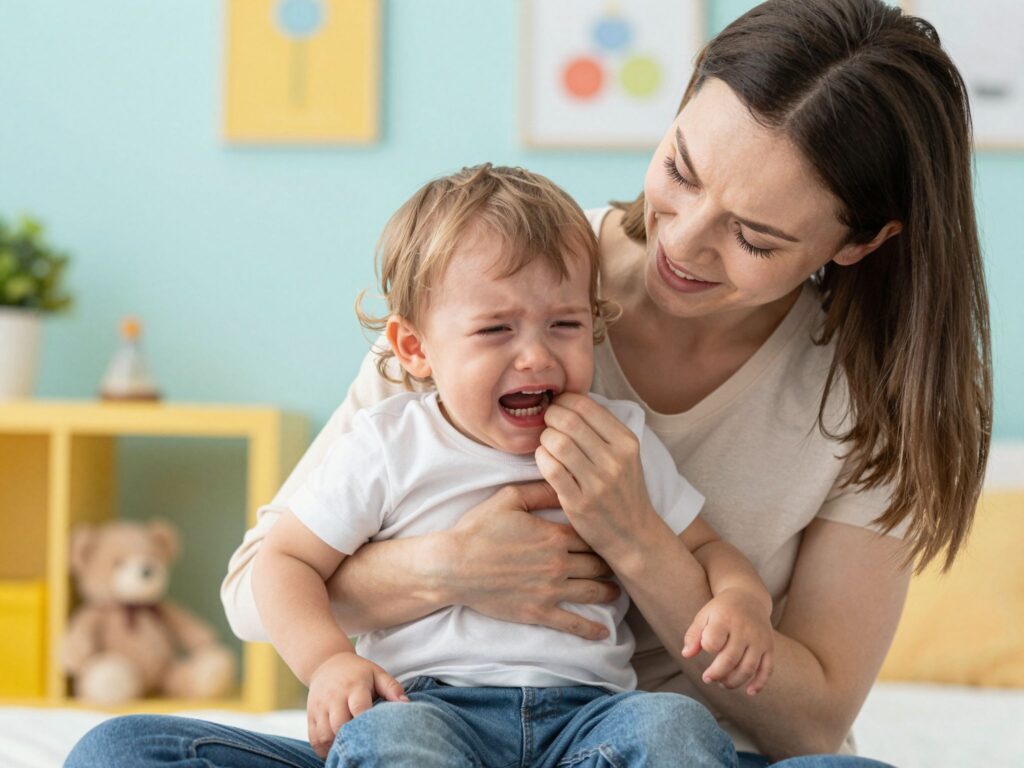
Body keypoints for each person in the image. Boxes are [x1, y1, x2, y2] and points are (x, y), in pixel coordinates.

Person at [66, 0, 991, 766]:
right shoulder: (498, 275)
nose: (680, 239)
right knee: (119, 753)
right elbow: (253, 589)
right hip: (426, 726)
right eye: (679, 168)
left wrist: (641, 546)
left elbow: (811, 725)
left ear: (860, 243)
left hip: (647, 740)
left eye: (753, 238)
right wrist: (445, 570)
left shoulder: (871, 401)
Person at [253, 163, 774, 766]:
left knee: (675, 724)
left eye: (565, 324)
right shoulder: (389, 444)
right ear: (415, 349)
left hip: (588, 716)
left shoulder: (613, 439)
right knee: (379, 739)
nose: (535, 355)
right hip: (431, 710)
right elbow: (284, 560)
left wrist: (742, 601)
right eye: (495, 329)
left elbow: (708, 548)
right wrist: (327, 660)